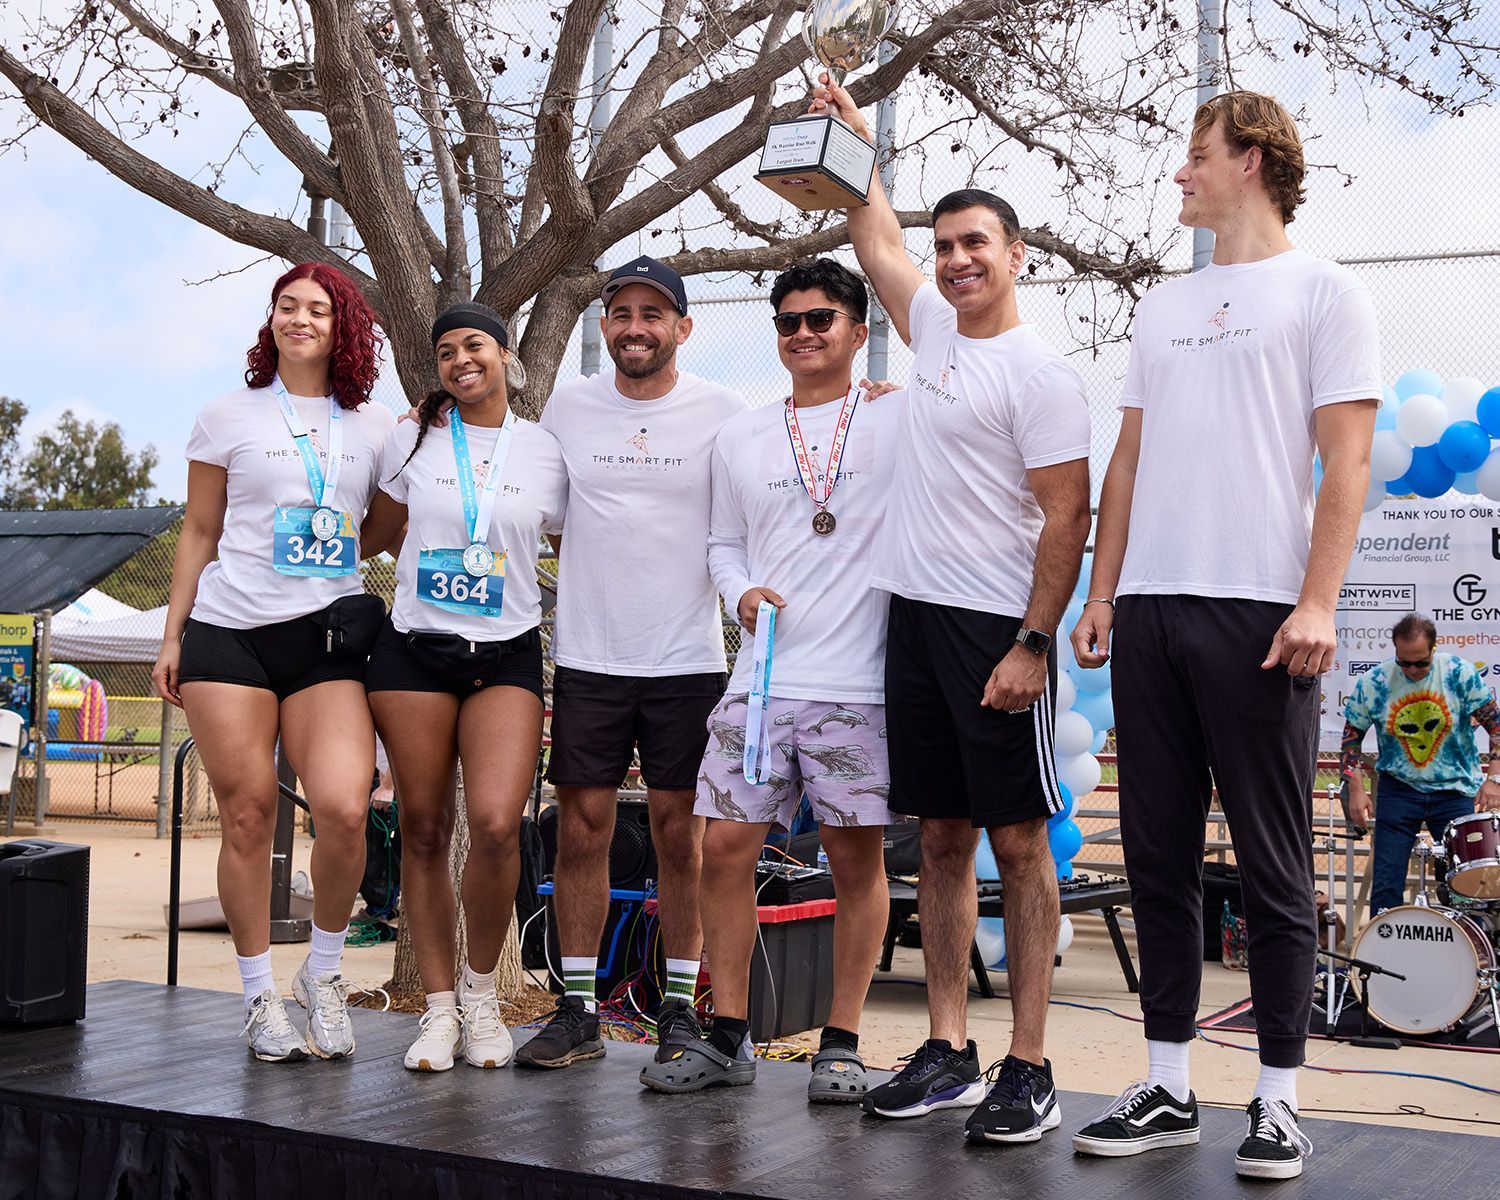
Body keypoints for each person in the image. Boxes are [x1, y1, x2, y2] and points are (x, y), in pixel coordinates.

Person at [1069, 92, 1380, 1180]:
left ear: (1249, 162)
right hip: (1150, 609)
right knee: (1155, 852)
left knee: (1272, 862)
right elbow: (1126, 460)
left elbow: (1346, 463)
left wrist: (1319, 602)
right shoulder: (1163, 305)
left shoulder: (1324, 290)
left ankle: (1281, 1101)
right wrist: (1102, 594)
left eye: (1195, 157)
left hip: (1262, 615)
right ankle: (1166, 1082)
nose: (1179, 175)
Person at [811, 79, 1092, 1142]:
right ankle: (947, 1048)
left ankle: (1029, 1062)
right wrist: (850, 138)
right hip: (914, 626)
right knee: (936, 840)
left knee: (1018, 844)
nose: (957, 259)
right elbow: (871, 232)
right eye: (948, 245)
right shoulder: (930, 328)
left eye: (977, 243)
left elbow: (1068, 518)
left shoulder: (1043, 374)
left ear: (1016, 256)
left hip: (996, 631)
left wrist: (1033, 642)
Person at [638, 259, 898, 1101]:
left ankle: (843, 1040)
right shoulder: (745, 436)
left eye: (821, 319)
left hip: (857, 686)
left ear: (859, 331)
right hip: (763, 680)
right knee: (723, 849)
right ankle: (727, 1035)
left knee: (857, 864)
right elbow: (721, 543)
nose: (802, 335)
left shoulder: (900, 421)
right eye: (787, 322)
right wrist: (740, 591)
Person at [152, 262, 394, 1061]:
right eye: (287, 306)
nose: (299, 319)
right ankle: (259, 996)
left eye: (317, 309)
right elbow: (198, 530)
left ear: (342, 325)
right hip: (230, 634)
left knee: (345, 808)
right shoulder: (226, 414)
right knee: (250, 811)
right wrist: (172, 635)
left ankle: (321, 975)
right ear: (272, 320)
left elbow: (389, 523)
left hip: (327, 639)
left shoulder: (375, 426)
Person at [516, 258, 745, 1069]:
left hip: (687, 659)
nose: (636, 326)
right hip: (589, 657)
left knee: (681, 837)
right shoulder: (569, 405)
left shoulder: (725, 411)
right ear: (604, 324)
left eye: (654, 312)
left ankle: (679, 1014)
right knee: (582, 831)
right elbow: (537, 507)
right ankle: (577, 1010)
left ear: (683, 326)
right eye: (622, 312)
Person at [360, 302, 568, 1073]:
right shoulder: (411, 439)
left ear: (507, 356)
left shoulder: (546, 449)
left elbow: (583, 536)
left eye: (473, 344)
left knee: (497, 824)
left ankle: (484, 998)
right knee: (421, 827)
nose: (458, 359)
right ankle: (439, 1011)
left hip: (505, 656)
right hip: (414, 653)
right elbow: (371, 538)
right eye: (445, 351)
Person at [1342, 613, 1500, 915]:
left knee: (1466, 884)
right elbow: (1351, 740)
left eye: (1420, 663)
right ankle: (1384, 957)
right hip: (1398, 791)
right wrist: (1357, 790)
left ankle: (1466, 953)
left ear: (1434, 649)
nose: (1412, 670)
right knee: (1387, 882)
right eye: (1404, 663)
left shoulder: (1459, 674)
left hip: (1454, 791)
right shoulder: (1374, 683)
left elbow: (1496, 726)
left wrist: (1494, 778)